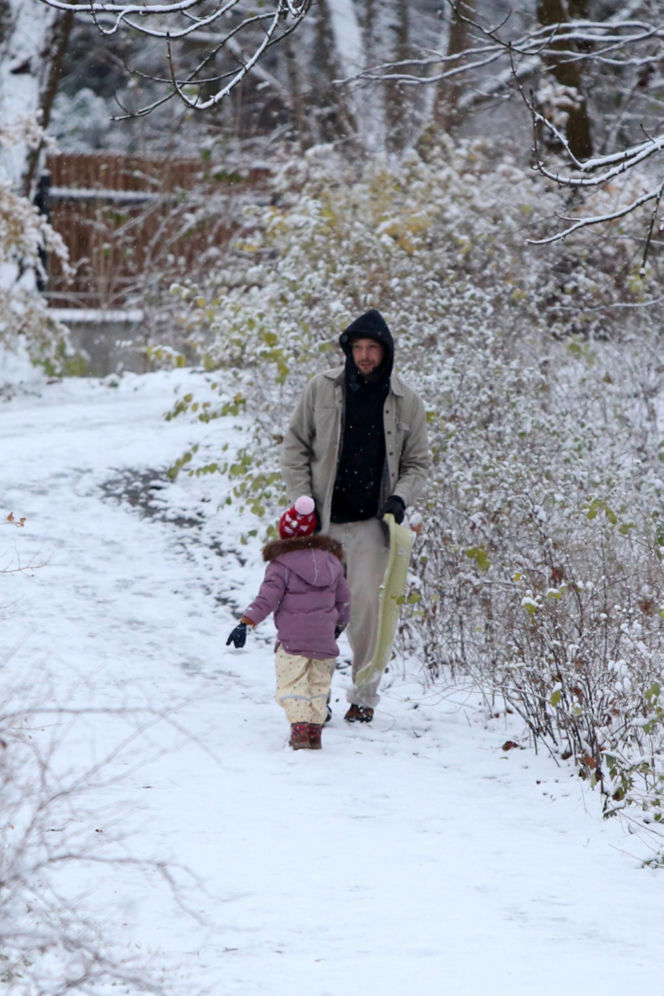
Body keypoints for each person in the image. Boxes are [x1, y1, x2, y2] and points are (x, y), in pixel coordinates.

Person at [280, 309, 429, 723]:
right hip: (323, 524)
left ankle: (364, 696)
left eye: (372, 349)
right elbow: (294, 448)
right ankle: (315, 695)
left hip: (370, 527)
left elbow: (418, 462)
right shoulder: (321, 389)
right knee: (317, 611)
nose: (364, 356)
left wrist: (400, 498)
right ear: (348, 351)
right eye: (357, 348)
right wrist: (301, 502)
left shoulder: (405, 401)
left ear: (386, 353)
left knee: (364, 608)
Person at [226, 495, 351, 750]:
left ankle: (300, 732)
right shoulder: (333, 562)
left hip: (292, 642)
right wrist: (338, 625)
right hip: (324, 639)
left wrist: (246, 623)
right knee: (318, 686)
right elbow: (344, 600)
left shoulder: (280, 565)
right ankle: (315, 734)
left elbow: (266, 599)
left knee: (292, 685)